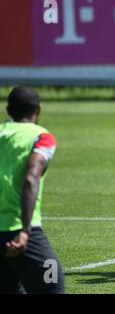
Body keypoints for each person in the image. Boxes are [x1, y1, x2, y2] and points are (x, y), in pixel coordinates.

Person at [0, 86, 65, 293]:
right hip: (19, 230)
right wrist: (25, 232)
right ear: (38, 110)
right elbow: (31, 179)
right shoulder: (42, 137)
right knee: (53, 280)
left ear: (8, 110)